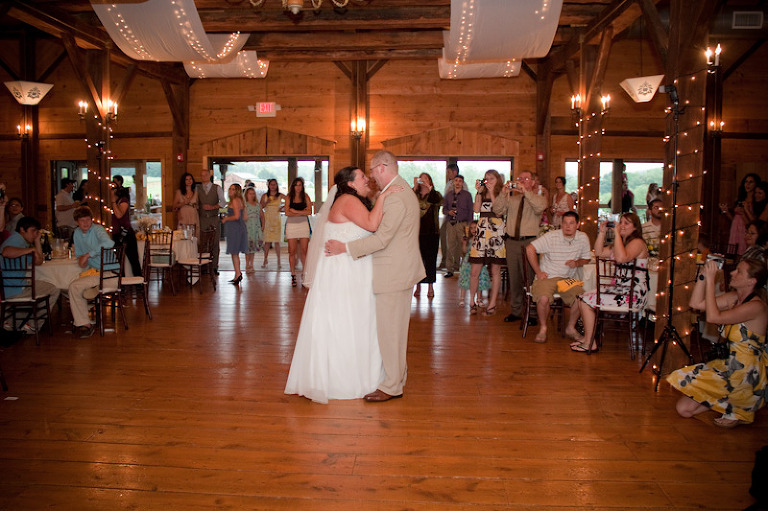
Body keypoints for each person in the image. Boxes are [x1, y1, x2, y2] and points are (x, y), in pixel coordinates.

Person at [285, 166, 401, 404]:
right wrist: (384, 197)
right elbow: (371, 225)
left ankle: (356, 374)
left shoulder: (350, 199)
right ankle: (345, 378)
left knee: (353, 320)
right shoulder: (348, 200)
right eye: (361, 177)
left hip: (350, 267)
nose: (366, 179)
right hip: (346, 271)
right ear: (349, 184)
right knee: (349, 320)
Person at [325, 150, 426, 402]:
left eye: (371, 170)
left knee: (390, 332)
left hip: (393, 273)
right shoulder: (399, 190)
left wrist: (345, 248)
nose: (371, 176)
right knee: (396, 331)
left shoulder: (395, 196)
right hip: (399, 270)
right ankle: (397, 378)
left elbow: (381, 239)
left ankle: (392, 386)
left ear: (382, 167)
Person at [667, 258, 768, 428]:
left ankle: (742, 404)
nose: (732, 273)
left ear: (752, 281)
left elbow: (714, 317)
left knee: (687, 389)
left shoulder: (756, 307)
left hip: (746, 374)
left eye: (739, 272)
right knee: (684, 409)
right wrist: (704, 276)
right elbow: (696, 304)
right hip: (727, 366)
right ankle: (731, 403)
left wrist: (712, 280)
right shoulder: (734, 298)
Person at [570, 212, 649, 353]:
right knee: (582, 297)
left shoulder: (638, 242)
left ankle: (590, 342)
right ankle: (588, 337)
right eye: (621, 222)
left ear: (635, 227)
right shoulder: (621, 243)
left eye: (626, 223)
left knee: (586, 301)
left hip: (632, 293)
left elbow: (621, 258)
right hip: (619, 290)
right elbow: (599, 252)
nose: (622, 226)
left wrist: (617, 234)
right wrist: (602, 233)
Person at [525, 211, 591, 343]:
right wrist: (538, 271)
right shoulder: (551, 236)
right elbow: (529, 249)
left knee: (581, 299)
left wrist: (577, 263)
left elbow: (587, 258)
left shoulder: (583, 238)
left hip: (567, 279)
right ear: (561, 224)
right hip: (547, 277)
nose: (567, 226)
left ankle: (570, 327)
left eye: (571, 223)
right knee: (543, 299)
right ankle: (543, 328)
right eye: (565, 223)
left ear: (577, 225)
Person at [493, 170, 548, 323]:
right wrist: (504, 193)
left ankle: (532, 313)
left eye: (526, 179)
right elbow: (497, 210)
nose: (522, 181)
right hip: (512, 242)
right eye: (520, 179)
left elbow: (539, 208)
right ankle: (516, 311)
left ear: (532, 182)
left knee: (530, 278)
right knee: (514, 279)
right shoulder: (512, 199)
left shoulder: (539, 198)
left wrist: (526, 192)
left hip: (529, 243)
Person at [0, 216, 60, 334]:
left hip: (10, 288)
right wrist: (29, 250)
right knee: (54, 289)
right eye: (33, 231)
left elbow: (38, 261)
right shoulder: (16, 239)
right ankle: (32, 325)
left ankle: (11, 323)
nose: (35, 234)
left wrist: (37, 241)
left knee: (38, 290)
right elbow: (5, 252)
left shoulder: (22, 242)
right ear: (22, 229)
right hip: (14, 288)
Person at [69, 206, 115, 339]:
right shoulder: (77, 233)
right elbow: (80, 256)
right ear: (77, 222)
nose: (85, 223)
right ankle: (83, 319)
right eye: (82, 220)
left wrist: (89, 254)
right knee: (71, 285)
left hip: (108, 272)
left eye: (88, 219)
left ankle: (85, 324)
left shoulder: (97, 229)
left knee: (74, 286)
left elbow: (109, 242)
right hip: (93, 272)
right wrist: (82, 259)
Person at [468, 170, 506, 316]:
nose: (488, 181)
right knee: (474, 271)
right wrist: (478, 192)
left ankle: (492, 304)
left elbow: (499, 212)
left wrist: (492, 193)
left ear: (497, 180)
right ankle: (471, 301)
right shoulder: (482, 193)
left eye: (491, 178)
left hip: (496, 232)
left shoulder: (503, 193)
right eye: (486, 179)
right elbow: (476, 210)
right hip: (482, 231)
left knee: (495, 271)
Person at [413, 173, 442, 299]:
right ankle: (417, 286)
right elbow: (408, 202)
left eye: (426, 180)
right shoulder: (414, 195)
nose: (423, 182)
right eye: (421, 179)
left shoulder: (435, 194)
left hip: (432, 233)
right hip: (416, 233)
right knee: (417, 261)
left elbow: (439, 201)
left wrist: (429, 190)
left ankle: (430, 286)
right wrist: (414, 188)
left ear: (430, 181)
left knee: (431, 261)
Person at [721, 173, 761, 255]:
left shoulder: (756, 200)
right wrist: (726, 211)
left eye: (751, 182)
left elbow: (756, 221)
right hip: (735, 228)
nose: (748, 184)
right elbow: (734, 219)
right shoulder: (740, 198)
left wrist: (745, 211)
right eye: (746, 182)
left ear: (756, 184)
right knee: (733, 251)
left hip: (746, 229)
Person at [442, 174, 473, 278]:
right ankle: (449, 269)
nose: (458, 183)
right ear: (453, 182)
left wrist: (469, 225)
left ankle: (464, 269)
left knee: (463, 247)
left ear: (463, 183)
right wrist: (448, 212)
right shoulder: (448, 195)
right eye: (456, 181)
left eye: (460, 181)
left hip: (462, 224)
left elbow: (470, 210)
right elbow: (444, 209)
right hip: (450, 223)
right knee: (450, 246)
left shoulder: (467, 195)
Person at [284, 177, 313, 287]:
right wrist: (302, 212)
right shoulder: (288, 197)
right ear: (293, 186)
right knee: (292, 251)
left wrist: (295, 211)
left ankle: (304, 273)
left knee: (304, 250)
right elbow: (287, 212)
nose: (298, 187)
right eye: (296, 185)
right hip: (291, 225)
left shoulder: (305, 196)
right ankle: (293, 275)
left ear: (302, 186)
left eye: (300, 185)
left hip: (303, 225)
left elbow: (310, 211)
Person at [197, 168, 227, 274]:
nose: (203, 177)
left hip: (214, 218)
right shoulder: (197, 188)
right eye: (202, 175)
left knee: (214, 243)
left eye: (205, 175)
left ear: (209, 176)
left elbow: (223, 202)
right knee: (202, 243)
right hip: (201, 219)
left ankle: (214, 266)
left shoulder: (217, 188)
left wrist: (213, 206)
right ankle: (204, 266)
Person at [438, 163, 466, 269]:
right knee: (443, 234)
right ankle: (445, 261)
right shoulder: (449, 184)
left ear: (455, 172)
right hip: (449, 215)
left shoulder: (463, 185)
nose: (448, 174)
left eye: (449, 172)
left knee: (459, 240)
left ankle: (456, 263)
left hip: (458, 216)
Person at [110, 183, 141, 278]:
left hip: (125, 234)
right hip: (116, 233)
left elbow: (119, 215)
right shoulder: (117, 201)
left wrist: (113, 202)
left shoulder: (123, 201)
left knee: (133, 259)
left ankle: (139, 283)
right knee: (119, 261)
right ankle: (121, 284)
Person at [458, 220, 490, 307]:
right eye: (471, 228)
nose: (473, 230)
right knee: (465, 279)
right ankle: (462, 298)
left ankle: (479, 298)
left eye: (475, 228)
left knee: (479, 279)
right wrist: (464, 244)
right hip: (468, 261)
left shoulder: (482, 239)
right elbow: (464, 251)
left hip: (479, 260)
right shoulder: (469, 239)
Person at [221, 184, 248, 285]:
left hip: (235, 228)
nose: (230, 191)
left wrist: (226, 218)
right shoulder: (241, 201)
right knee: (234, 253)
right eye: (230, 189)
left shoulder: (235, 200)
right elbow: (244, 217)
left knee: (234, 252)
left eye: (233, 189)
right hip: (238, 228)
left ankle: (238, 274)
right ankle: (237, 273)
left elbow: (237, 216)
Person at [260, 179, 284, 269]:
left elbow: (289, 200)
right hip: (268, 218)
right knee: (267, 241)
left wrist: (282, 207)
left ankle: (279, 261)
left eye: (274, 184)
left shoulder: (280, 195)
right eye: (271, 184)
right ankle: (265, 259)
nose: (273, 186)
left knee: (277, 242)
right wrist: (267, 203)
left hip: (276, 219)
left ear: (277, 185)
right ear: (268, 185)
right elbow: (260, 206)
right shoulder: (264, 195)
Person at [244, 186, 264, 274]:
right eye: (250, 194)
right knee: (248, 247)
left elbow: (262, 216)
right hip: (247, 227)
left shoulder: (258, 205)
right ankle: (247, 263)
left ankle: (252, 263)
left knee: (253, 247)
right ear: (246, 195)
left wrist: (263, 226)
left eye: (253, 194)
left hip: (256, 227)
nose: (251, 195)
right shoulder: (245, 205)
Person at [173, 172, 199, 237]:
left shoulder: (196, 193)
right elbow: (174, 205)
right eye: (186, 179)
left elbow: (198, 205)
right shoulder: (179, 192)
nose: (189, 181)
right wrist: (183, 203)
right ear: (184, 181)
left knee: (193, 237)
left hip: (193, 217)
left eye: (190, 179)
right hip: (183, 217)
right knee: (183, 236)